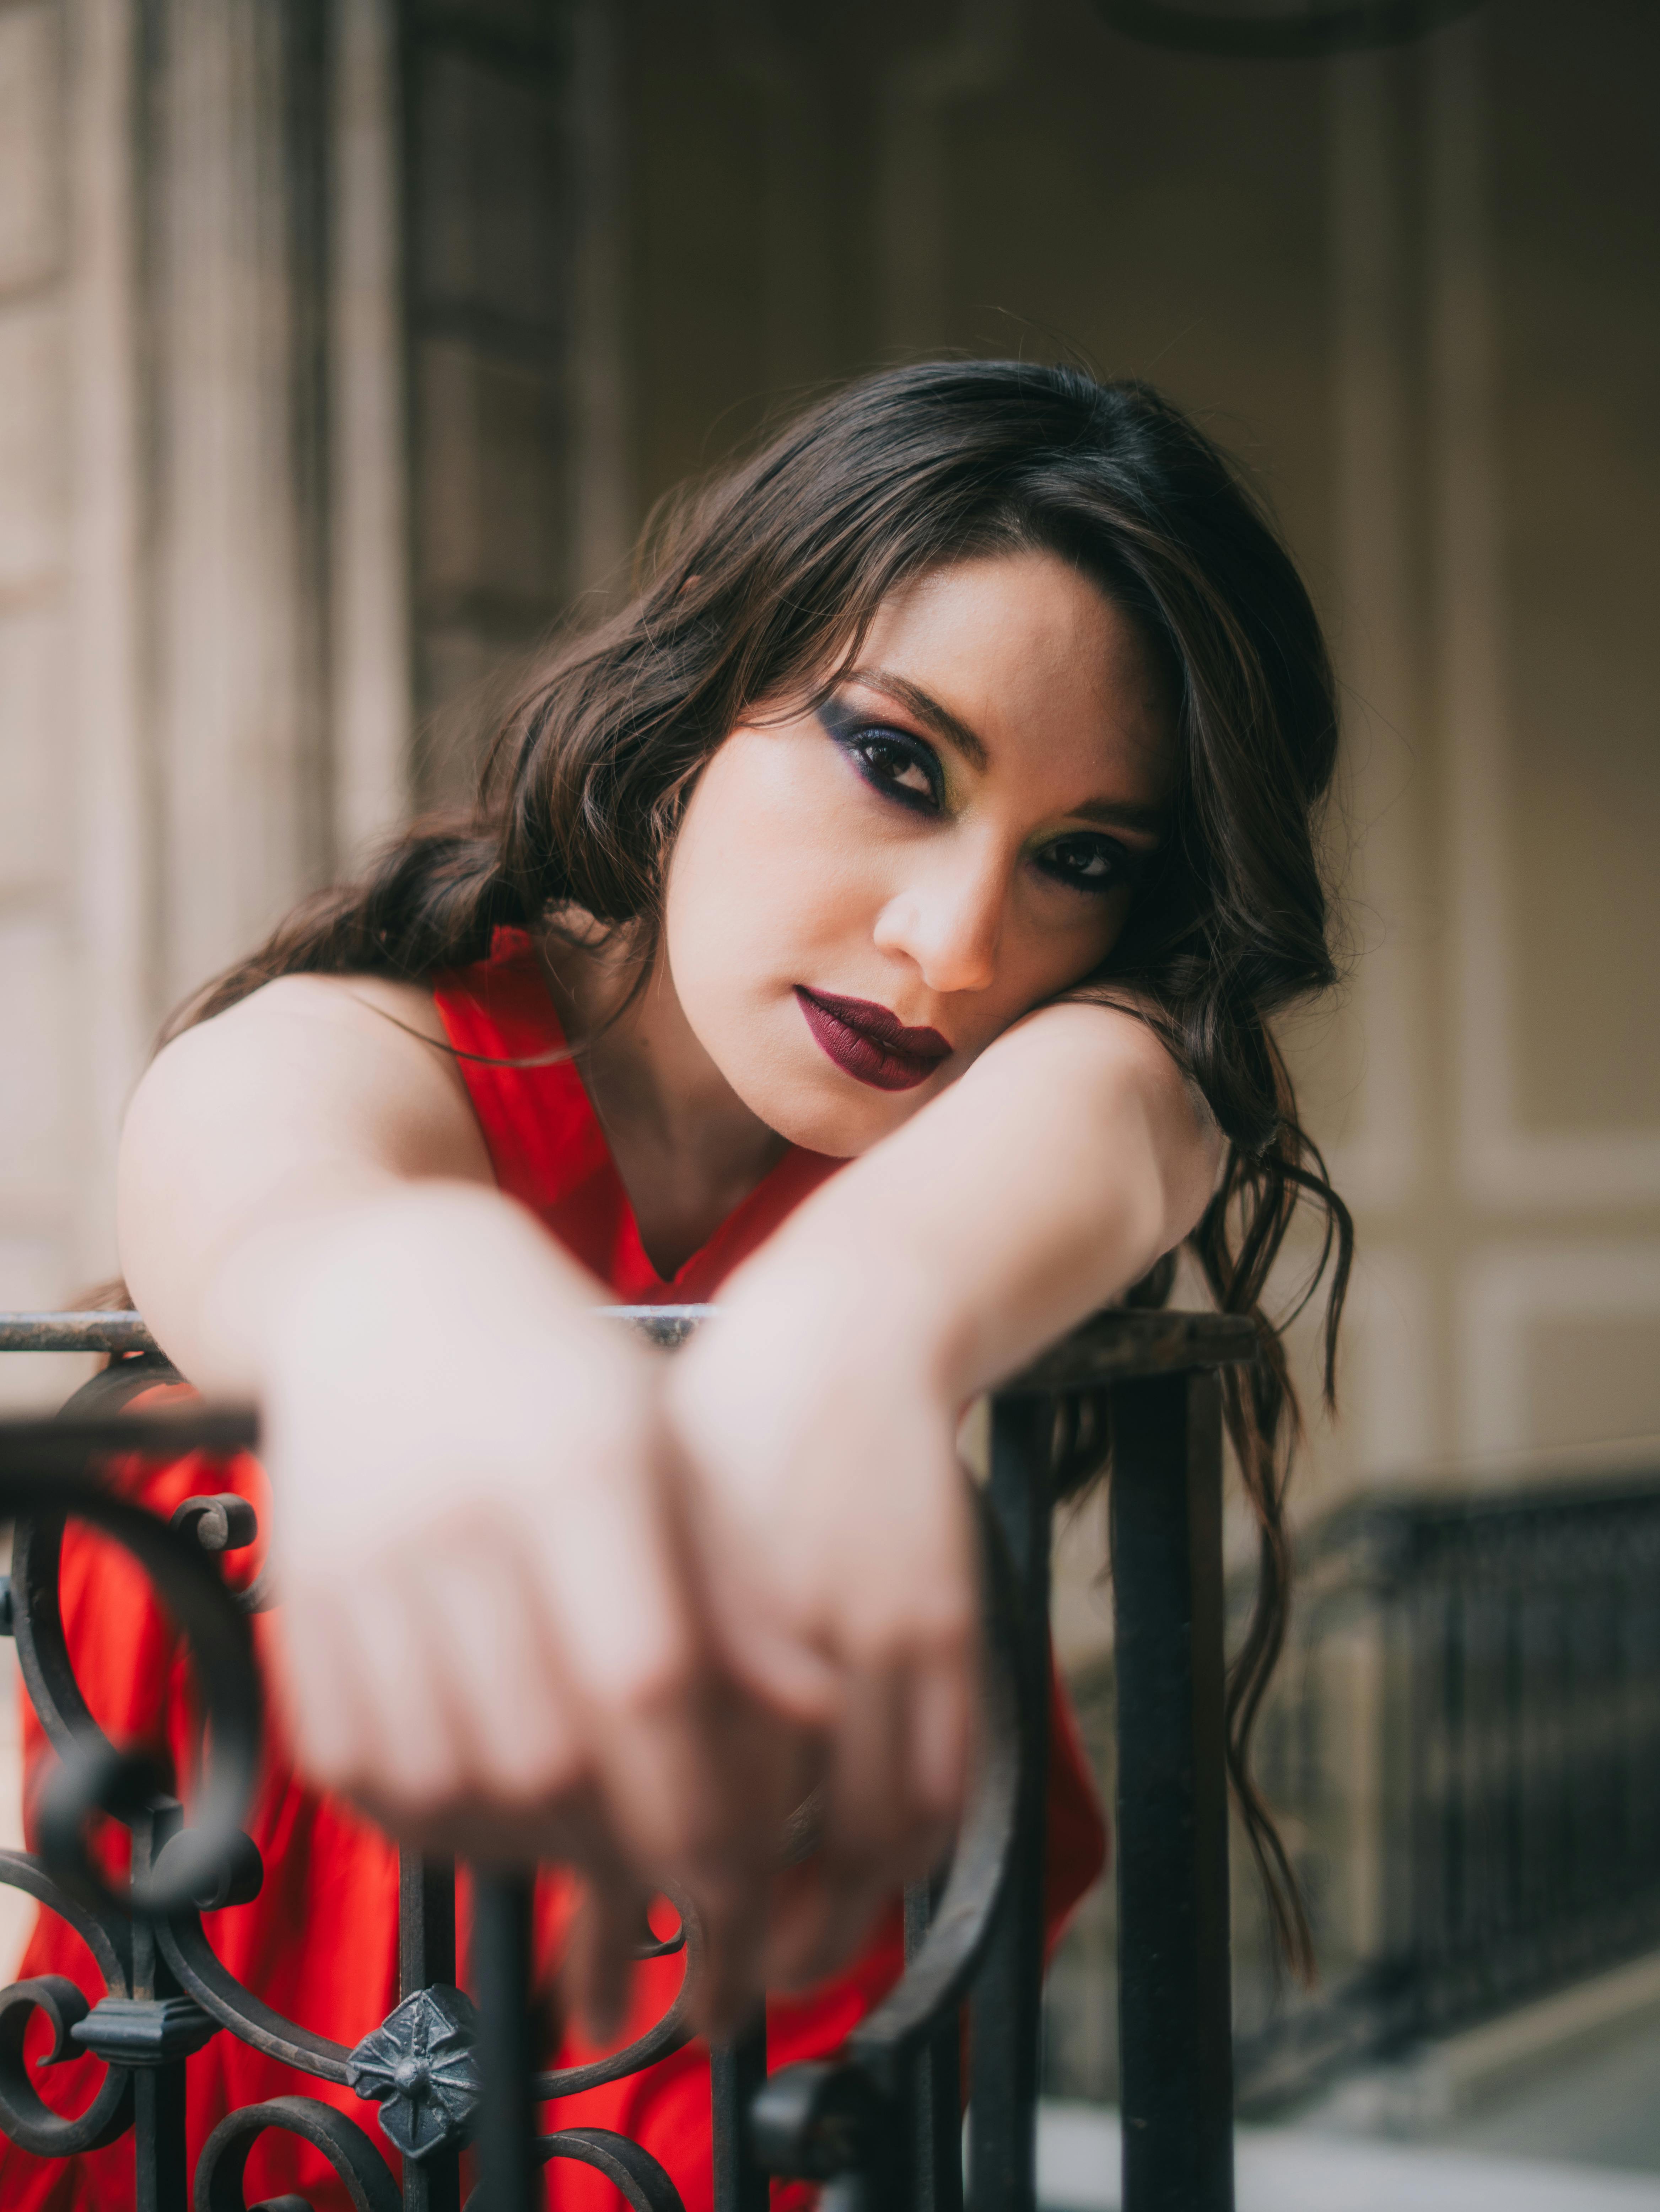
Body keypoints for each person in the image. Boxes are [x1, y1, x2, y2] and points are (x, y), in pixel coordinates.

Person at [3, 362, 1349, 2209]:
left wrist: (849, 1334)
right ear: (702, 698)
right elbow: (275, 1180)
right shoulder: (367, 1040)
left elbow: (1137, 1100)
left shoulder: (1005, 1103)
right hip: (248, 2034)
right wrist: (437, 1347)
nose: (955, 944)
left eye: (1082, 862)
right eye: (897, 761)